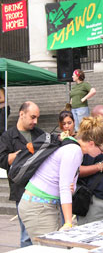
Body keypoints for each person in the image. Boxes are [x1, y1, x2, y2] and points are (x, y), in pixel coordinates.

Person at [18, 116, 103, 241]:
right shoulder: (74, 151)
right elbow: (64, 188)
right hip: (40, 207)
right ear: (91, 143)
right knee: (51, 249)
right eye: (102, 149)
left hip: (42, 205)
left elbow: (66, 185)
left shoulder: (71, 144)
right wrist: (68, 222)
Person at [0, 101, 44, 247]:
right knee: (27, 234)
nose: (35, 121)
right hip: (22, 191)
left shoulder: (39, 133)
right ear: (21, 114)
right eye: (32, 117)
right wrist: (20, 155)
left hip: (42, 189)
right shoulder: (8, 136)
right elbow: (3, 160)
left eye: (37, 117)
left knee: (43, 234)